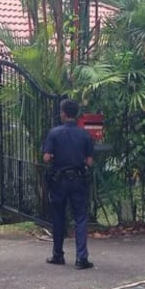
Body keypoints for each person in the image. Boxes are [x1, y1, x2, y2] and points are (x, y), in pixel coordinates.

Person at [41, 98, 95, 269]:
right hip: (78, 179)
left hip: (59, 180)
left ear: (63, 113)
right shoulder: (84, 134)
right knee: (80, 218)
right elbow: (89, 161)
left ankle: (58, 255)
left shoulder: (54, 133)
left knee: (58, 217)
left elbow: (46, 157)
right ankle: (81, 258)